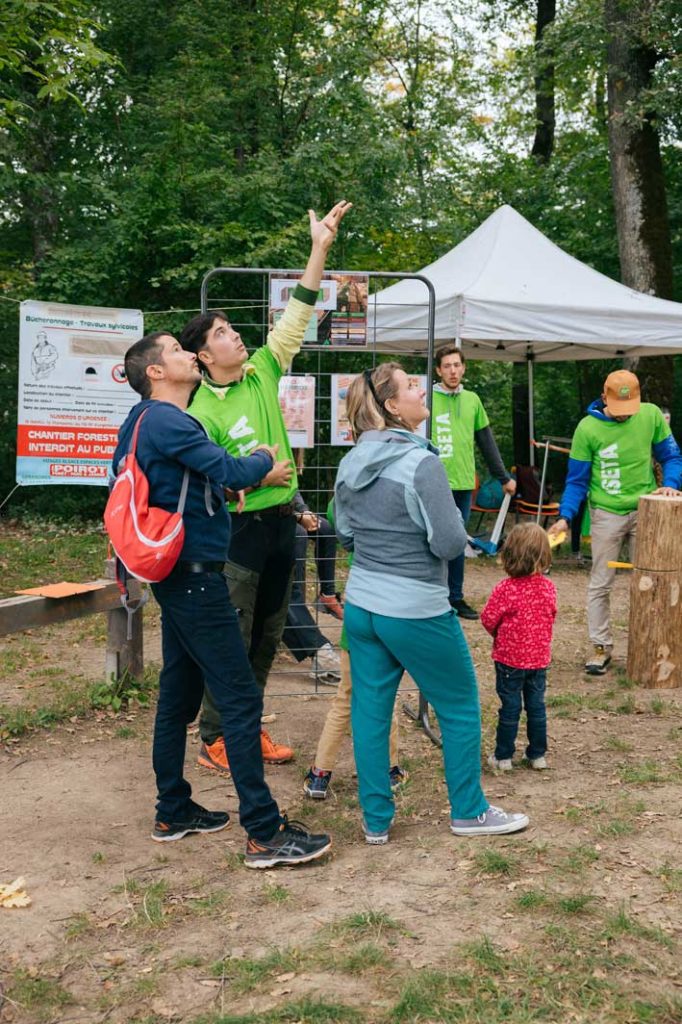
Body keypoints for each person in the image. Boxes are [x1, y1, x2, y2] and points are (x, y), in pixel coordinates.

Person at [112, 331, 331, 867]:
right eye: (178, 350)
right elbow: (232, 470)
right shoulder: (169, 419)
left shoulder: (138, 423)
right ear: (157, 372)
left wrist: (227, 484)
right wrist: (262, 461)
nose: (190, 354)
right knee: (238, 696)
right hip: (196, 577)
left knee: (178, 695)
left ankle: (173, 810)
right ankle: (264, 832)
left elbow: (189, 483)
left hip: (176, 575)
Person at [180, 200, 352, 776]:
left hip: (284, 524)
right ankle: (214, 737)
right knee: (233, 634)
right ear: (205, 356)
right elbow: (203, 482)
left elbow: (298, 313)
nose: (236, 337)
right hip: (239, 530)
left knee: (269, 633)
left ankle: (245, 729)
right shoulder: (199, 410)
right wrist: (256, 478)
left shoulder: (262, 369)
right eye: (225, 334)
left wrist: (319, 249)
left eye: (233, 329)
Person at [334, 362, 529, 844]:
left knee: (370, 709)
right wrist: (458, 536)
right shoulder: (423, 464)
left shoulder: (350, 461)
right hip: (415, 607)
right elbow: (446, 544)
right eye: (410, 386)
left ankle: (376, 821)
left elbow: (343, 534)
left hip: (362, 605)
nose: (422, 389)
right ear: (392, 408)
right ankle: (469, 811)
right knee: (460, 705)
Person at [549, 370, 682, 676]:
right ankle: (600, 648)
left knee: (653, 582)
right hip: (606, 514)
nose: (624, 417)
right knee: (600, 583)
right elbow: (576, 481)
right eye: (619, 410)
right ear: (604, 396)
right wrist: (565, 517)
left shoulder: (650, 416)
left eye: (629, 410)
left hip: (648, 513)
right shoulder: (588, 428)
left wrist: (670, 484)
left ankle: (650, 647)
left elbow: (672, 457)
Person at [431, 345, 516, 620]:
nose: (453, 371)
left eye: (457, 365)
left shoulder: (472, 400)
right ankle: (432, 596)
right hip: (433, 482)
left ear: (464, 368)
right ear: (438, 370)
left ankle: (455, 598)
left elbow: (486, 442)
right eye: (447, 366)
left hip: (463, 483)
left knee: (457, 541)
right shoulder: (427, 398)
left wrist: (504, 477)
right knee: (431, 539)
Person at [481, 523, 556, 772]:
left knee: (510, 707)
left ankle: (503, 756)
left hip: (509, 660)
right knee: (536, 706)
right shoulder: (548, 588)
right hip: (538, 659)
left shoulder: (506, 589)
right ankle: (537, 755)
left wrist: (501, 635)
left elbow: (489, 618)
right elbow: (551, 616)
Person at [281, 494, 341, 684]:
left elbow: (291, 486)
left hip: (285, 512)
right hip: (254, 515)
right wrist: (298, 516)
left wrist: (304, 510)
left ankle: (328, 594)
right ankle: (319, 651)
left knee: (325, 530)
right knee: (297, 534)